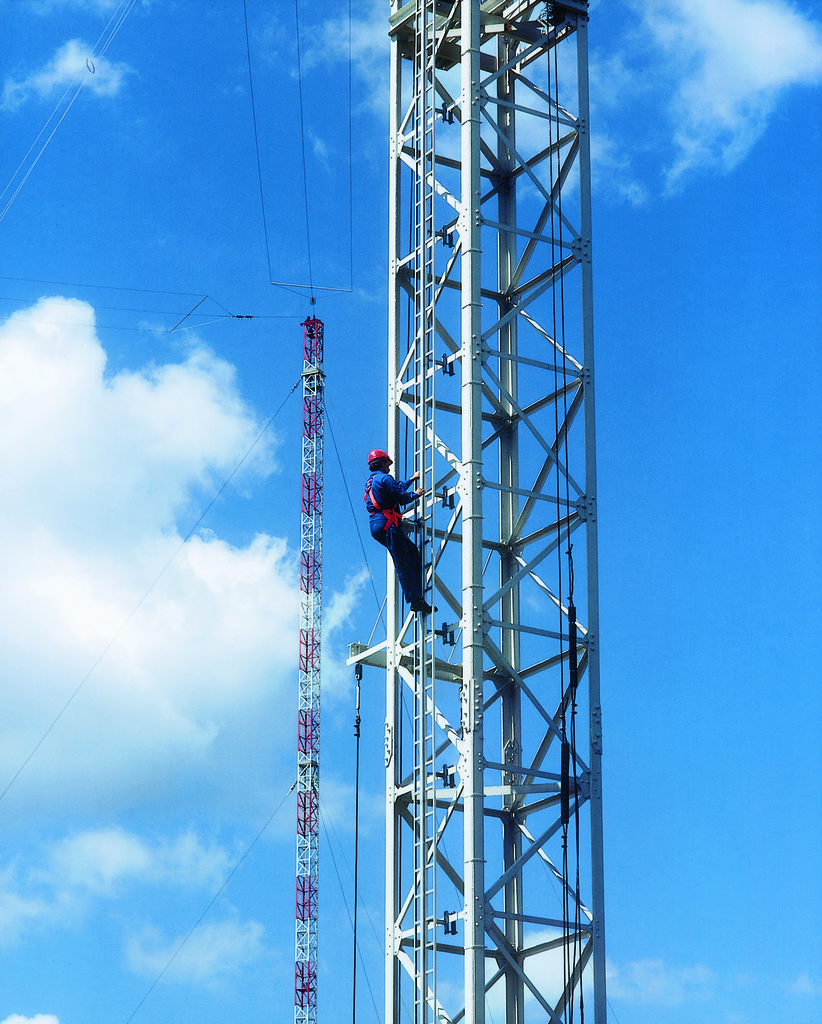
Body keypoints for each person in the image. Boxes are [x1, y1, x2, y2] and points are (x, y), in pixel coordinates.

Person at [364, 448, 432, 615]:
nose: (389, 466)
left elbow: (395, 488)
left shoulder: (373, 481)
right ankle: (415, 600)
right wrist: (416, 494)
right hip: (388, 525)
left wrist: (411, 480)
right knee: (403, 562)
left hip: (379, 525)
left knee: (412, 553)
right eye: (387, 463)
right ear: (381, 463)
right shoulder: (385, 478)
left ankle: (417, 595)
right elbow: (401, 497)